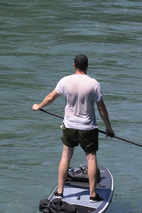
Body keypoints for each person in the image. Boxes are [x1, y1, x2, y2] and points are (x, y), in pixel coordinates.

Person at [32, 54, 115, 202]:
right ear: (87, 66)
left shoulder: (65, 81)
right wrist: (108, 127)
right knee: (91, 158)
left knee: (65, 156)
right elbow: (101, 108)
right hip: (88, 128)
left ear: (74, 65)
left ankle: (60, 191)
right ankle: (92, 195)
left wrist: (38, 106)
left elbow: (50, 98)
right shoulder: (94, 84)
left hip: (69, 127)